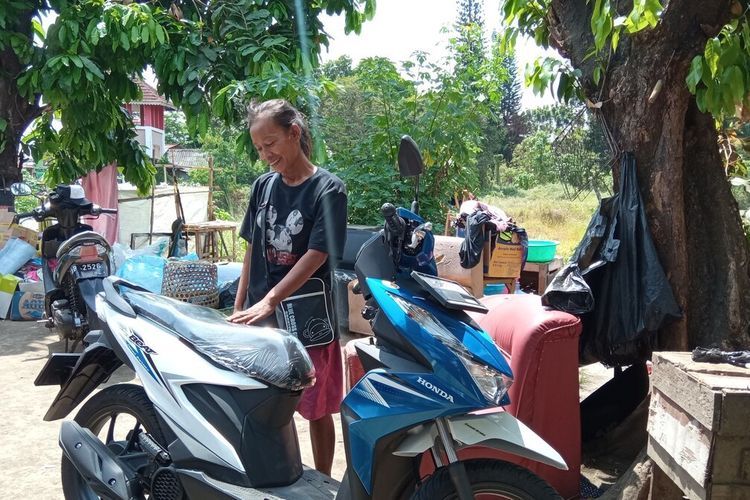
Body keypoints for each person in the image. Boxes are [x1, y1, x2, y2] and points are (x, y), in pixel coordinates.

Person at [228, 99, 347, 476]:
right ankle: (278, 476)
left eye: (271, 143)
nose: (265, 155)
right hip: (260, 315)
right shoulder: (262, 187)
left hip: (309, 318)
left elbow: (318, 253)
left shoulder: (328, 189)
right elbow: (251, 250)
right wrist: (240, 304)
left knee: (316, 407)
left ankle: (323, 482)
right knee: (265, 403)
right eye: (258, 148)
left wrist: (272, 299)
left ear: (294, 133)